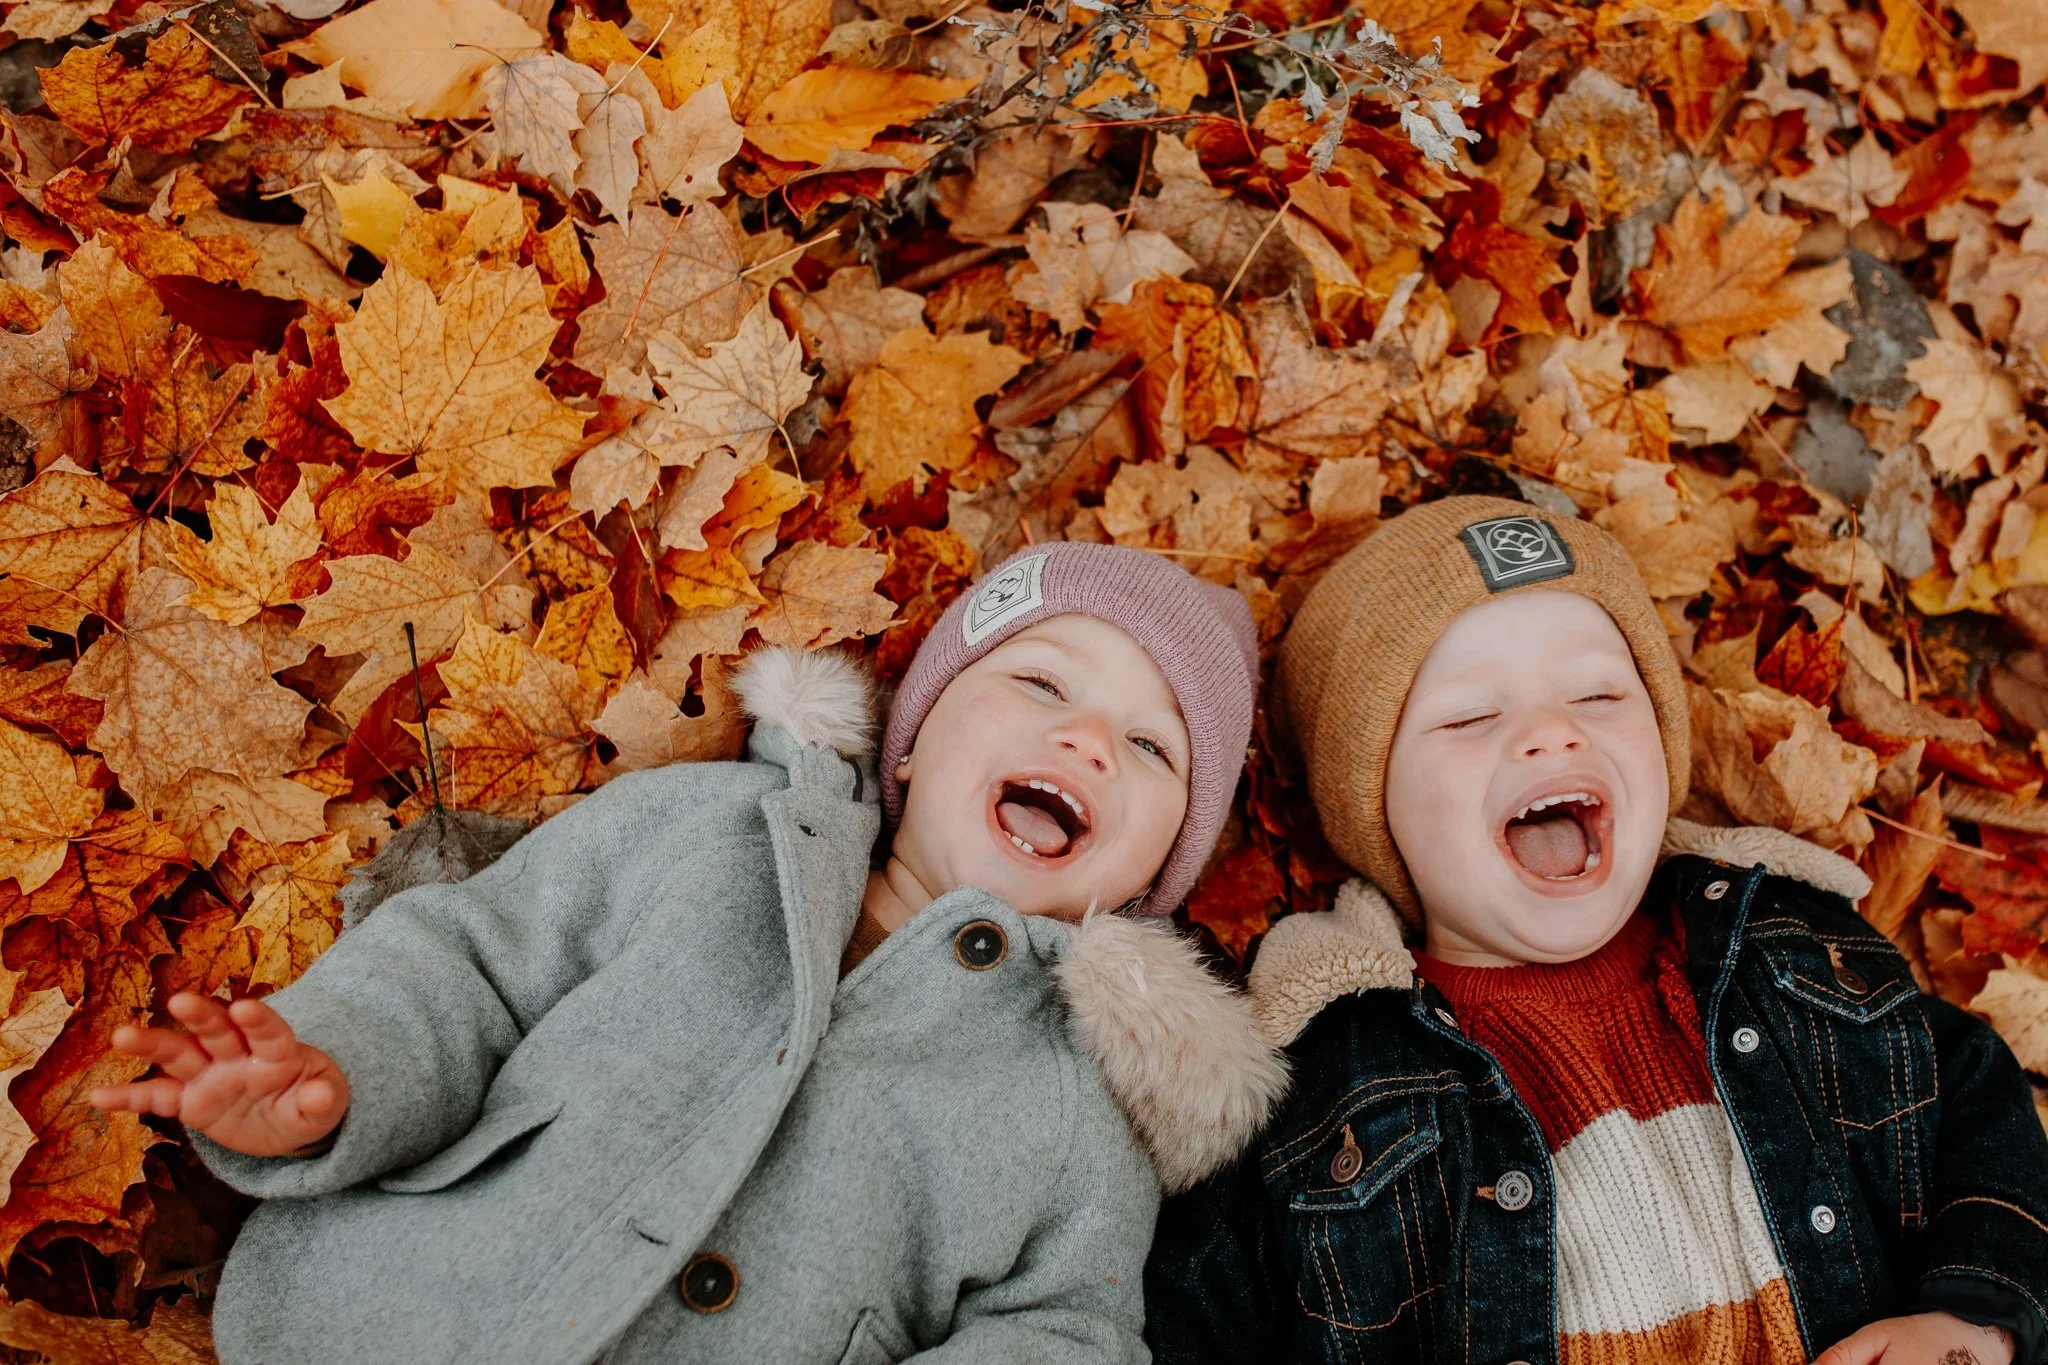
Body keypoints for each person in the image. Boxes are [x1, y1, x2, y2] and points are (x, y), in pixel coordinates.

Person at [94, 541, 1288, 1365]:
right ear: (913, 743)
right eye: (1038, 682)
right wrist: (340, 1071)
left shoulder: (1084, 1103)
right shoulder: (707, 831)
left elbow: (1060, 1330)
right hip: (410, 1312)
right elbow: (469, 963)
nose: (1083, 740)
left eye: (1149, 748)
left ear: (1151, 879)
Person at [1144, 496, 2048, 1365]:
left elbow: (1975, 1099)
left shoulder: (1786, 948)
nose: (1548, 731)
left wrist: (1975, 1316)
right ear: (1373, 811)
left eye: (1600, 696)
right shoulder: (1321, 1084)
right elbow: (1194, 1316)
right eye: (1470, 716)